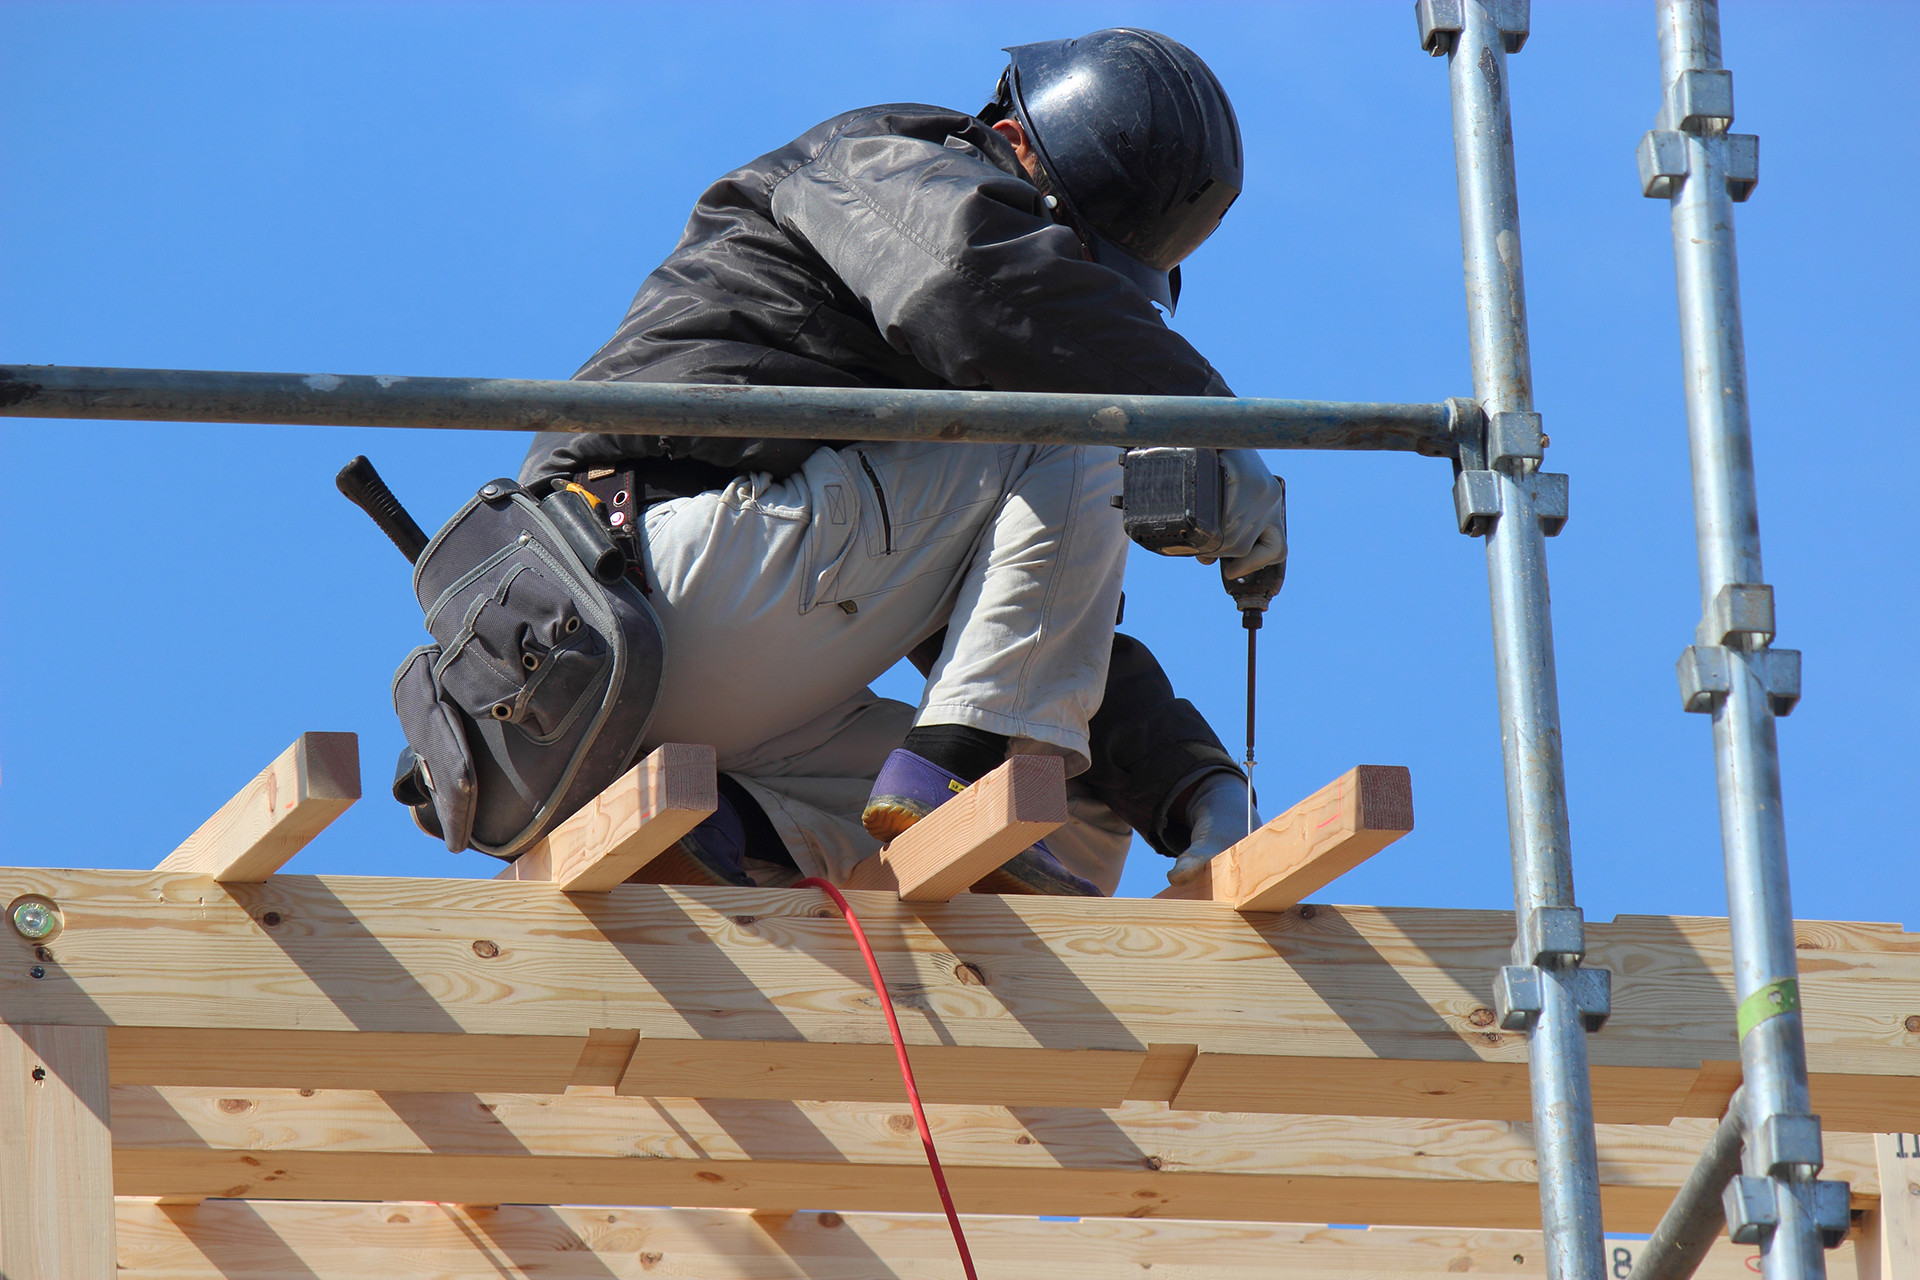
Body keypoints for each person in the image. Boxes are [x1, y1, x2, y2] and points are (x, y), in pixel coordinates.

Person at [517, 28, 1286, 894]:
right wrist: (1210, 419)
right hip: (628, 584)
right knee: (1080, 415)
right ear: (1016, 142)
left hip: (677, 675)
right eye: (1067, 250)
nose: (1065, 278)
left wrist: (1191, 781)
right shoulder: (885, 163)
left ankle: (726, 825)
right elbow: (972, 288)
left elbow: (1024, 629)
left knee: (1074, 811)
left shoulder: (926, 452)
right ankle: (958, 782)